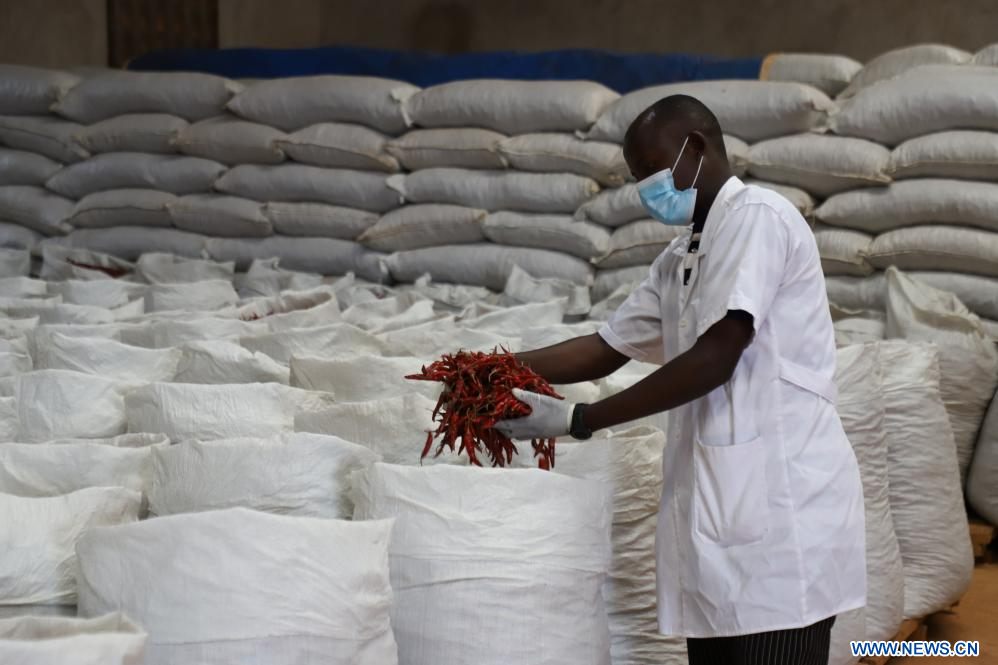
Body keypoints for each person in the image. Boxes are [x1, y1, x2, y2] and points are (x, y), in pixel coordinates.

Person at [493, 94, 866, 665]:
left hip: (783, 511)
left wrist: (580, 419)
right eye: (637, 176)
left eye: (651, 168)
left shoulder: (758, 218)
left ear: (695, 147)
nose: (646, 188)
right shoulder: (680, 257)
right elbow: (605, 348)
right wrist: (489, 367)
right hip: (721, 516)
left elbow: (716, 357)